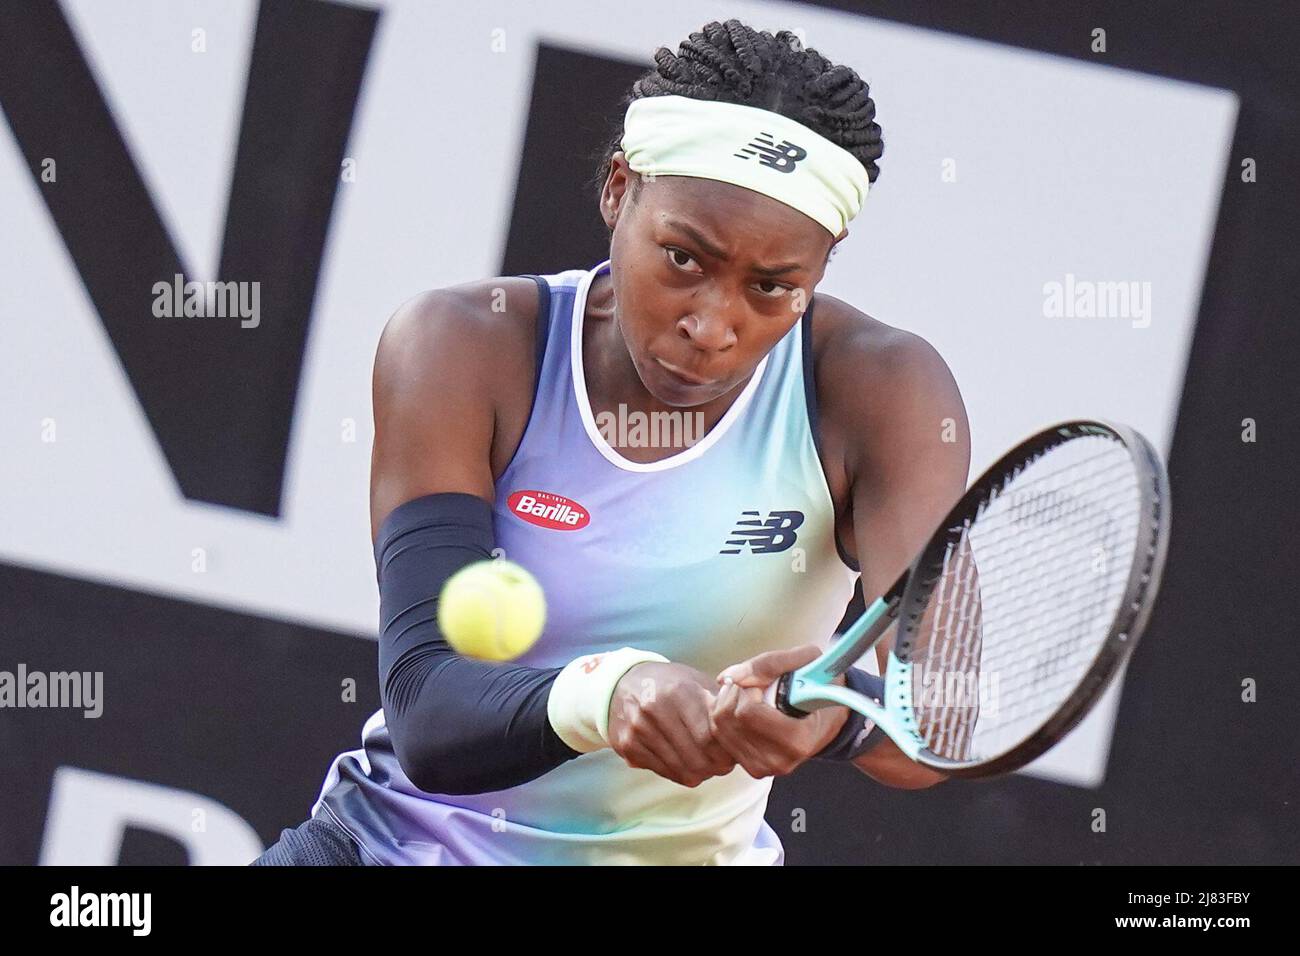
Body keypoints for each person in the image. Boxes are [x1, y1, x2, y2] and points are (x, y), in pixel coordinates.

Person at [253, 18, 970, 866]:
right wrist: (611, 690)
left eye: (773, 288)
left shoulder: (883, 391)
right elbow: (428, 713)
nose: (712, 325)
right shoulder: (461, 345)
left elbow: (943, 721)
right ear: (618, 190)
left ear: (825, 265)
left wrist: (841, 715)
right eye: (682, 258)